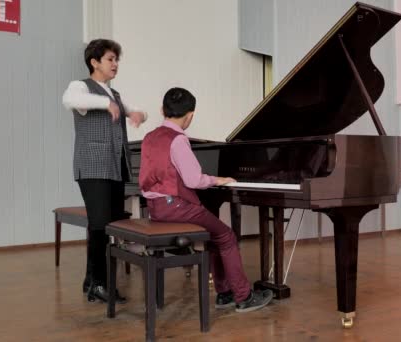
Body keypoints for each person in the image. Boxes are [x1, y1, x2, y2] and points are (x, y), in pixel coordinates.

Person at [139, 87, 273, 313]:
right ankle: (243, 296)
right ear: (190, 115)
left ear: (163, 110)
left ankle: (224, 293)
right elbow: (193, 180)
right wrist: (219, 180)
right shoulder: (178, 140)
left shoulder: (150, 137)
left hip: (156, 209)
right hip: (177, 207)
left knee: (214, 234)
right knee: (227, 236)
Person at [61, 39, 146, 303]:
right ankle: (99, 283)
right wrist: (104, 104)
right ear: (94, 62)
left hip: (115, 165)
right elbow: (69, 100)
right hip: (92, 165)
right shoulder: (81, 87)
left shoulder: (114, 94)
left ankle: (92, 281)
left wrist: (137, 114)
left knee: (106, 225)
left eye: (116, 60)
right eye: (110, 59)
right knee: (100, 224)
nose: (115, 64)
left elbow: (131, 109)